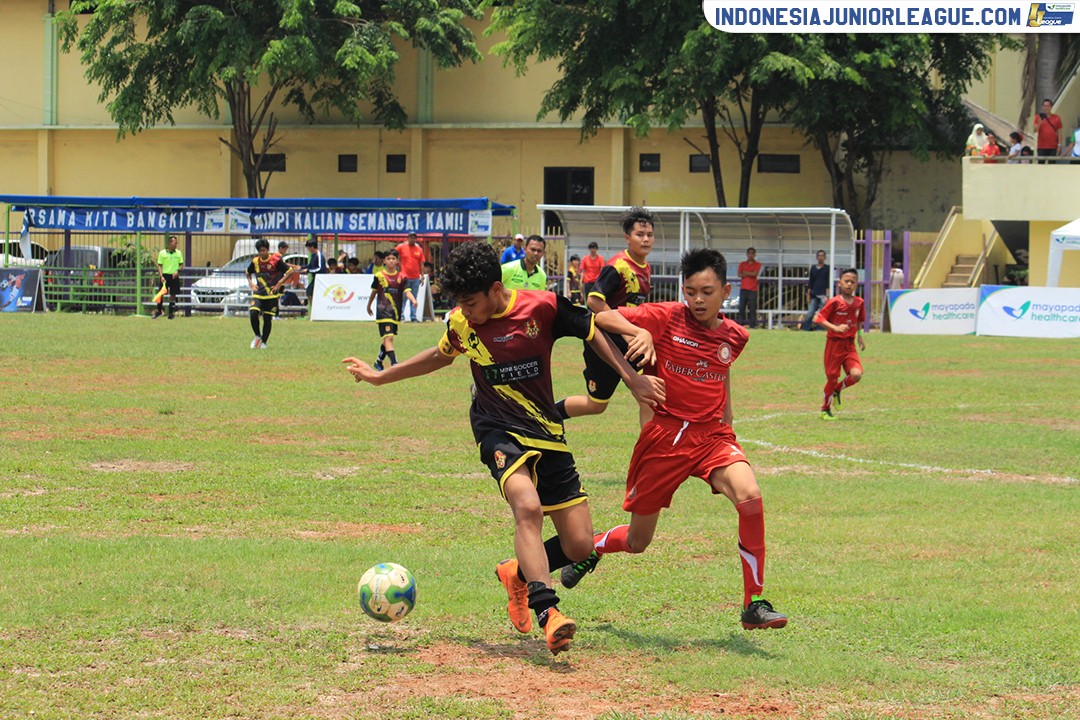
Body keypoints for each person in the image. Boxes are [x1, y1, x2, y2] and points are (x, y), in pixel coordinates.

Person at [342, 241, 664, 655]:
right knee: (526, 506)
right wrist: (380, 377)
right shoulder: (462, 323)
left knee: (580, 544)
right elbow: (439, 356)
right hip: (496, 428)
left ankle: (517, 573)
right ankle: (549, 613)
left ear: (496, 289)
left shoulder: (542, 307)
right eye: (460, 303)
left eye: (471, 302)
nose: (466, 311)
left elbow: (592, 329)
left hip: (546, 429)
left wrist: (633, 377)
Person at [559, 248, 788, 631]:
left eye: (707, 291)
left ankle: (754, 602)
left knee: (750, 497)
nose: (698, 300)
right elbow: (597, 314)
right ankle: (594, 549)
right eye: (691, 291)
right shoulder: (665, 316)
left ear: (726, 291)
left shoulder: (736, 335)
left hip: (712, 437)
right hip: (666, 439)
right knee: (637, 541)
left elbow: (722, 367)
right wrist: (638, 331)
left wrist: (727, 418)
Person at [556, 206, 654, 422]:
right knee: (596, 405)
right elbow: (594, 300)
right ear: (628, 238)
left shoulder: (646, 267)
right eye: (640, 234)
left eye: (649, 234)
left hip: (631, 342)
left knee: (649, 395)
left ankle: (652, 451)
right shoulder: (618, 266)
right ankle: (544, 416)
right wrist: (629, 331)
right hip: (606, 342)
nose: (646, 239)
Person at [814, 268, 866, 420]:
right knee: (832, 377)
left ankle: (837, 390)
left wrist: (860, 337)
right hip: (834, 344)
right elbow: (819, 319)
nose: (849, 284)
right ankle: (825, 409)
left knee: (856, 374)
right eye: (846, 281)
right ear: (840, 283)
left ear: (856, 284)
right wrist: (835, 328)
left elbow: (859, 321)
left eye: (852, 282)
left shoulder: (859, 303)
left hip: (849, 346)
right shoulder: (835, 302)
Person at [365, 249, 416, 371]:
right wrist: (369, 305)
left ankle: (379, 361)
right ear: (384, 261)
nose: (391, 261)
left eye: (393, 259)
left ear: (398, 261)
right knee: (389, 338)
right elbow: (374, 291)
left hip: (395, 313)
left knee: (387, 338)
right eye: (388, 259)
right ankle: (394, 364)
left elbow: (407, 291)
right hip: (383, 311)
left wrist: (413, 300)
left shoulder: (402, 277)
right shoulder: (379, 276)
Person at [246, 239, 300, 349]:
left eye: (264, 250)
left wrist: (280, 283)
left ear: (268, 250)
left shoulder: (275, 260)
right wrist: (251, 284)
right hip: (259, 294)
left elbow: (290, 271)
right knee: (253, 313)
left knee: (267, 318)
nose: (262, 253)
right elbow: (247, 273)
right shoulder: (255, 261)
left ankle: (264, 342)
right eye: (260, 251)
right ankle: (257, 335)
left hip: (272, 295)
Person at [395, 232, 427, 322]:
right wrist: (397, 263)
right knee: (403, 297)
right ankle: (400, 315)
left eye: (414, 238)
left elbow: (421, 263)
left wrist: (422, 276)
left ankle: (413, 316)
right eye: (411, 237)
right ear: (408, 238)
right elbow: (393, 253)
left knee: (414, 297)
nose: (412, 239)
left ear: (416, 239)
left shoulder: (419, 249)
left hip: (416, 277)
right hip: (404, 276)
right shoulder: (402, 247)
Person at [152, 234, 184, 320]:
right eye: (175, 243)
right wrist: (161, 276)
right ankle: (159, 311)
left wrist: (178, 271)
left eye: (176, 243)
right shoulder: (162, 253)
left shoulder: (178, 253)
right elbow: (159, 265)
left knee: (173, 294)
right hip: (165, 276)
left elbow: (181, 264)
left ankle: (171, 313)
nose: (176, 245)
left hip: (174, 276)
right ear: (170, 243)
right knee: (161, 294)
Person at [800, 250, 829, 331]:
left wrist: (827, 294)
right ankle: (806, 328)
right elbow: (810, 282)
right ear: (816, 257)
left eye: (822, 255)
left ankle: (820, 329)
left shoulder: (827, 268)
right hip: (814, 294)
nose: (821, 257)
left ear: (825, 257)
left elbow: (828, 282)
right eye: (819, 255)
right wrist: (808, 294)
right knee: (810, 313)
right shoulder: (813, 268)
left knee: (822, 313)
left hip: (823, 294)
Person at [736, 247, 761, 328]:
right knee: (741, 307)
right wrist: (750, 273)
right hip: (743, 288)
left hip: (753, 289)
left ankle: (752, 324)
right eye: (749, 253)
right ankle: (740, 323)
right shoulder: (742, 264)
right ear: (747, 254)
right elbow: (739, 274)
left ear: (755, 255)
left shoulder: (757, 264)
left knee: (752, 308)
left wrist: (745, 272)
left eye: (752, 253)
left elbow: (755, 274)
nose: (751, 255)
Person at [1034, 98, 1063, 163]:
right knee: (1041, 164)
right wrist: (1039, 122)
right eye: (1044, 106)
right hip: (1041, 146)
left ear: (1051, 107)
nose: (1046, 108)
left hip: (1053, 146)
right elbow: (1035, 130)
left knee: (1052, 164)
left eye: (1048, 106)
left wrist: (1059, 145)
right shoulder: (1038, 117)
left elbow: (1059, 132)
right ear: (1042, 107)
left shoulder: (1056, 118)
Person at [304, 238, 328, 305]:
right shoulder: (313, 255)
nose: (308, 249)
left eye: (308, 248)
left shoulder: (319, 255)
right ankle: (314, 308)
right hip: (315, 278)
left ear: (312, 247)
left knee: (311, 292)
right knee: (309, 292)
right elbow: (310, 265)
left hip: (321, 278)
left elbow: (320, 268)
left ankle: (316, 309)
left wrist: (309, 270)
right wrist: (302, 267)